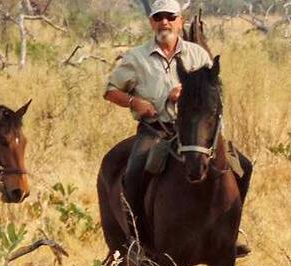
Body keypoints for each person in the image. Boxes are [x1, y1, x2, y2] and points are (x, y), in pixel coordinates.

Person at [103, 0, 252, 247]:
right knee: (133, 174)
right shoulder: (136, 57)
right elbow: (110, 91)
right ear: (151, 22)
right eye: (159, 17)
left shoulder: (198, 54)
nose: (165, 22)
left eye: (171, 17)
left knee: (243, 167)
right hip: (157, 131)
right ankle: (140, 240)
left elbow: (213, 95)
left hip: (197, 134)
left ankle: (230, 233)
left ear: (180, 21)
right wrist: (134, 101)